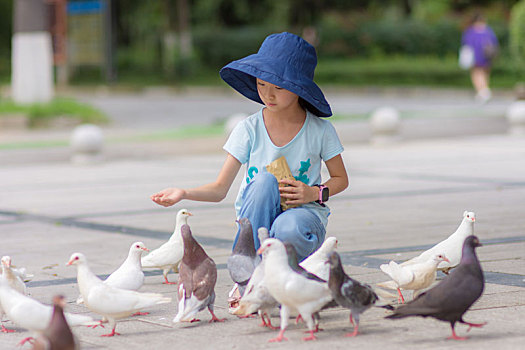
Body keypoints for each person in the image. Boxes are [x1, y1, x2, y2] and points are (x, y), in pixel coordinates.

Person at [151, 32, 349, 262]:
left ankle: (283, 274)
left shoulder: (320, 130)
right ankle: (247, 272)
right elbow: (219, 189)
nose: (267, 94)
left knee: (288, 227)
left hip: (303, 216)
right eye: (261, 83)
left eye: (279, 87)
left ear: (298, 87)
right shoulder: (249, 129)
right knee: (264, 181)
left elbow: (341, 179)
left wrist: (313, 192)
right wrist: (183, 193)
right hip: (256, 218)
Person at [461, 13, 499, 103]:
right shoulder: (488, 31)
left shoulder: (470, 32)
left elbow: (466, 44)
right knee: (484, 74)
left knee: (476, 74)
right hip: (487, 56)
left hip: (476, 57)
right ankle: (484, 90)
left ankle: (483, 91)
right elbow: (494, 43)